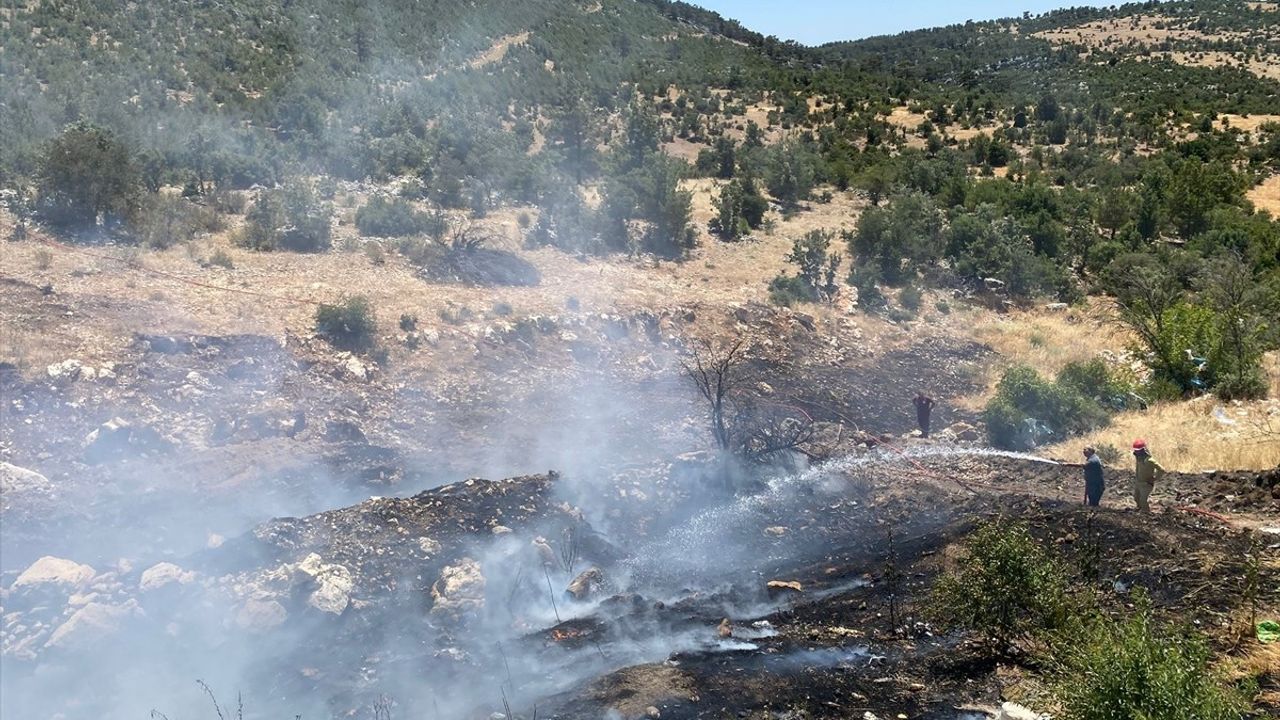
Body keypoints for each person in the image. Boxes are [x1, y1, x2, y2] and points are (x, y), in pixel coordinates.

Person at [1131, 439, 1165, 513]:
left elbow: (1162, 470)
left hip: (1146, 484)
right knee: (1136, 498)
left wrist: (1155, 478)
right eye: (1136, 450)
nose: (1137, 452)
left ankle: (1146, 514)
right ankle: (1139, 509)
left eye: (1138, 450)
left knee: (1143, 500)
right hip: (1138, 482)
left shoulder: (1150, 460)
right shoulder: (1138, 458)